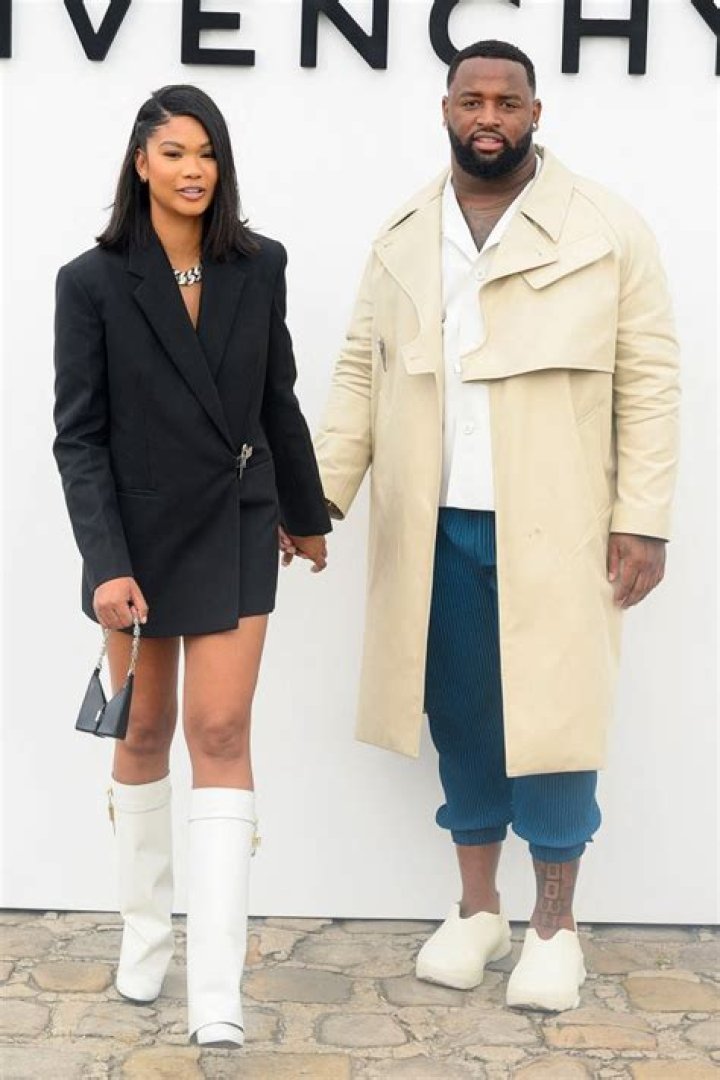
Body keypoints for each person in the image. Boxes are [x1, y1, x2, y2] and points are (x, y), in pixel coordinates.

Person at [312, 40, 679, 1011]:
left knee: (556, 720)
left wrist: (643, 518)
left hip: (560, 525)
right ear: (445, 109)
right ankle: (478, 911)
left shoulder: (607, 228)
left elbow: (650, 380)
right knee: (461, 719)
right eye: (470, 99)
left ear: (535, 113)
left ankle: (556, 928)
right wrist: (321, 497)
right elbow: (359, 370)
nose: (488, 117)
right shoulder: (403, 233)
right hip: (433, 525)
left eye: (506, 102)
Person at [53, 84, 331, 1047]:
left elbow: (277, 397)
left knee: (220, 727)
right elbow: (79, 437)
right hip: (133, 541)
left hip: (237, 517)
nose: (193, 169)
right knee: (143, 731)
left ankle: (217, 991)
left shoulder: (261, 264)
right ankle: (144, 942)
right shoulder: (90, 282)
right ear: (141, 164)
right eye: (173, 152)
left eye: (206, 151)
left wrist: (304, 514)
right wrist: (104, 565)